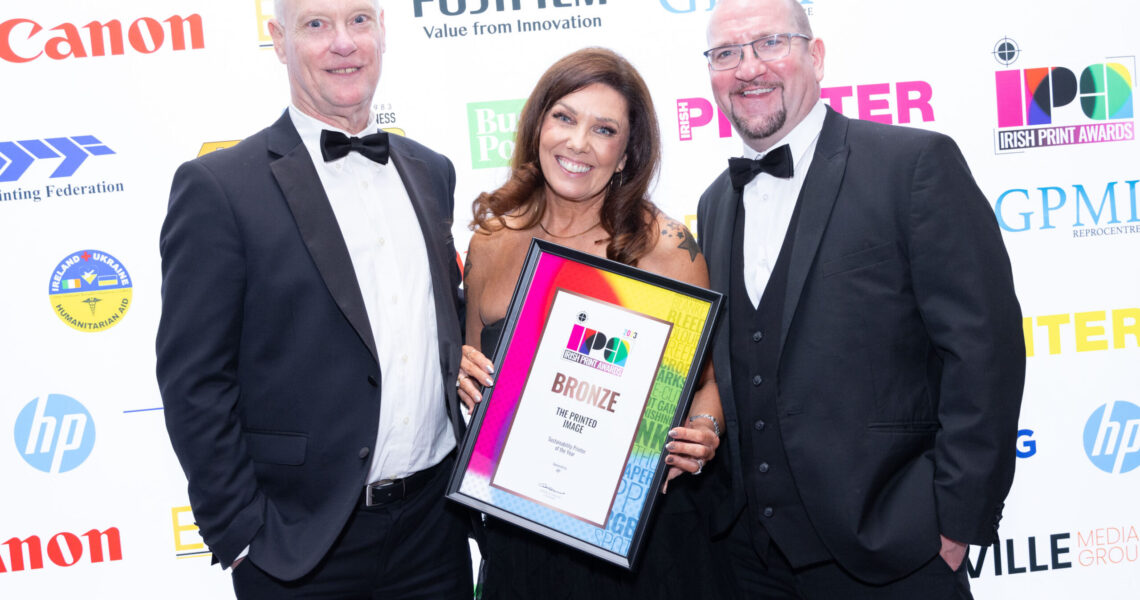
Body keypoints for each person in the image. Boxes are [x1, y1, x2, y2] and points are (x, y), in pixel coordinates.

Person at [695, 0, 1026, 598]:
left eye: (770, 43)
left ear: (815, 56)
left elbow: (985, 352)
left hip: (895, 552)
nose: (748, 69)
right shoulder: (715, 202)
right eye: (726, 54)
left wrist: (956, 518)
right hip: (750, 562)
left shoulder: (914, 165)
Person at [155, 0, 471, 597]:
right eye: (316, 25)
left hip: (435, 530)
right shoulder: (220, 188)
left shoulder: (432, 172)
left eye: (359, 20)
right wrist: (245, 533)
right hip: (300, 546)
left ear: (383, 31)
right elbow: (193, 380)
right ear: (278, 41)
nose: (343, 43)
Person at [456, 47, 727, 599]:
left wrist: (705, 431)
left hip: (639, 545)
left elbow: (706, 384)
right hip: (520, 535)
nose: (578, 143)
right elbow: (477, 375)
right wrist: (466, 377)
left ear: (627, 153)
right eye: (564, 117)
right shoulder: (492, 239)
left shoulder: (666, 249)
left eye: (604, 129)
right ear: (537, 126)